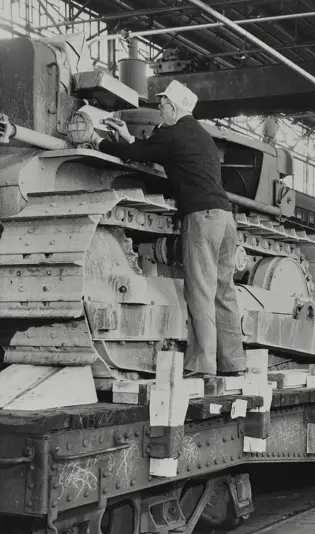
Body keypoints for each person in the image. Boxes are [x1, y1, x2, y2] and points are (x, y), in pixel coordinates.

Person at [91, 80, 245, 376]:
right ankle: (233, 363)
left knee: (199, 290)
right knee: (223, 292)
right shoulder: (200, 135)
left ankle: (202, 365)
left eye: (161, 107)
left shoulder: (174, 133)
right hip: (226, 219)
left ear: (173, 108)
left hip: (202, 217)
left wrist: (99, 142)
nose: (159, 112)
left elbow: (135, 155)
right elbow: (146, 148)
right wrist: (128, 137)